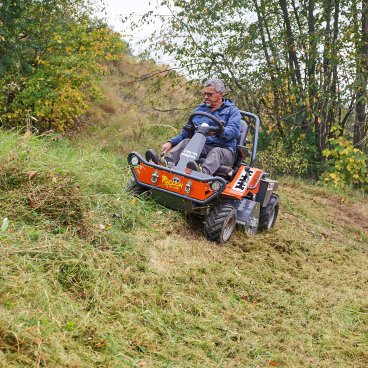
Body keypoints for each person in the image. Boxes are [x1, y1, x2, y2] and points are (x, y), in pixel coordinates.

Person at [146, 78, 242, 175]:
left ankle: (201, 173)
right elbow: (186, 132)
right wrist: (171, 142)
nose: (206, 97)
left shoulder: (232, 111)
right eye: (204, 94)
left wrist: (218, 131)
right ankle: (165, 162)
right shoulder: (200, 109)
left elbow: (233, 130)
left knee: (216, 151)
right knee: (186, 142)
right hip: (202, 146)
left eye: (210, 94)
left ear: (220, 94)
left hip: (224, 150)